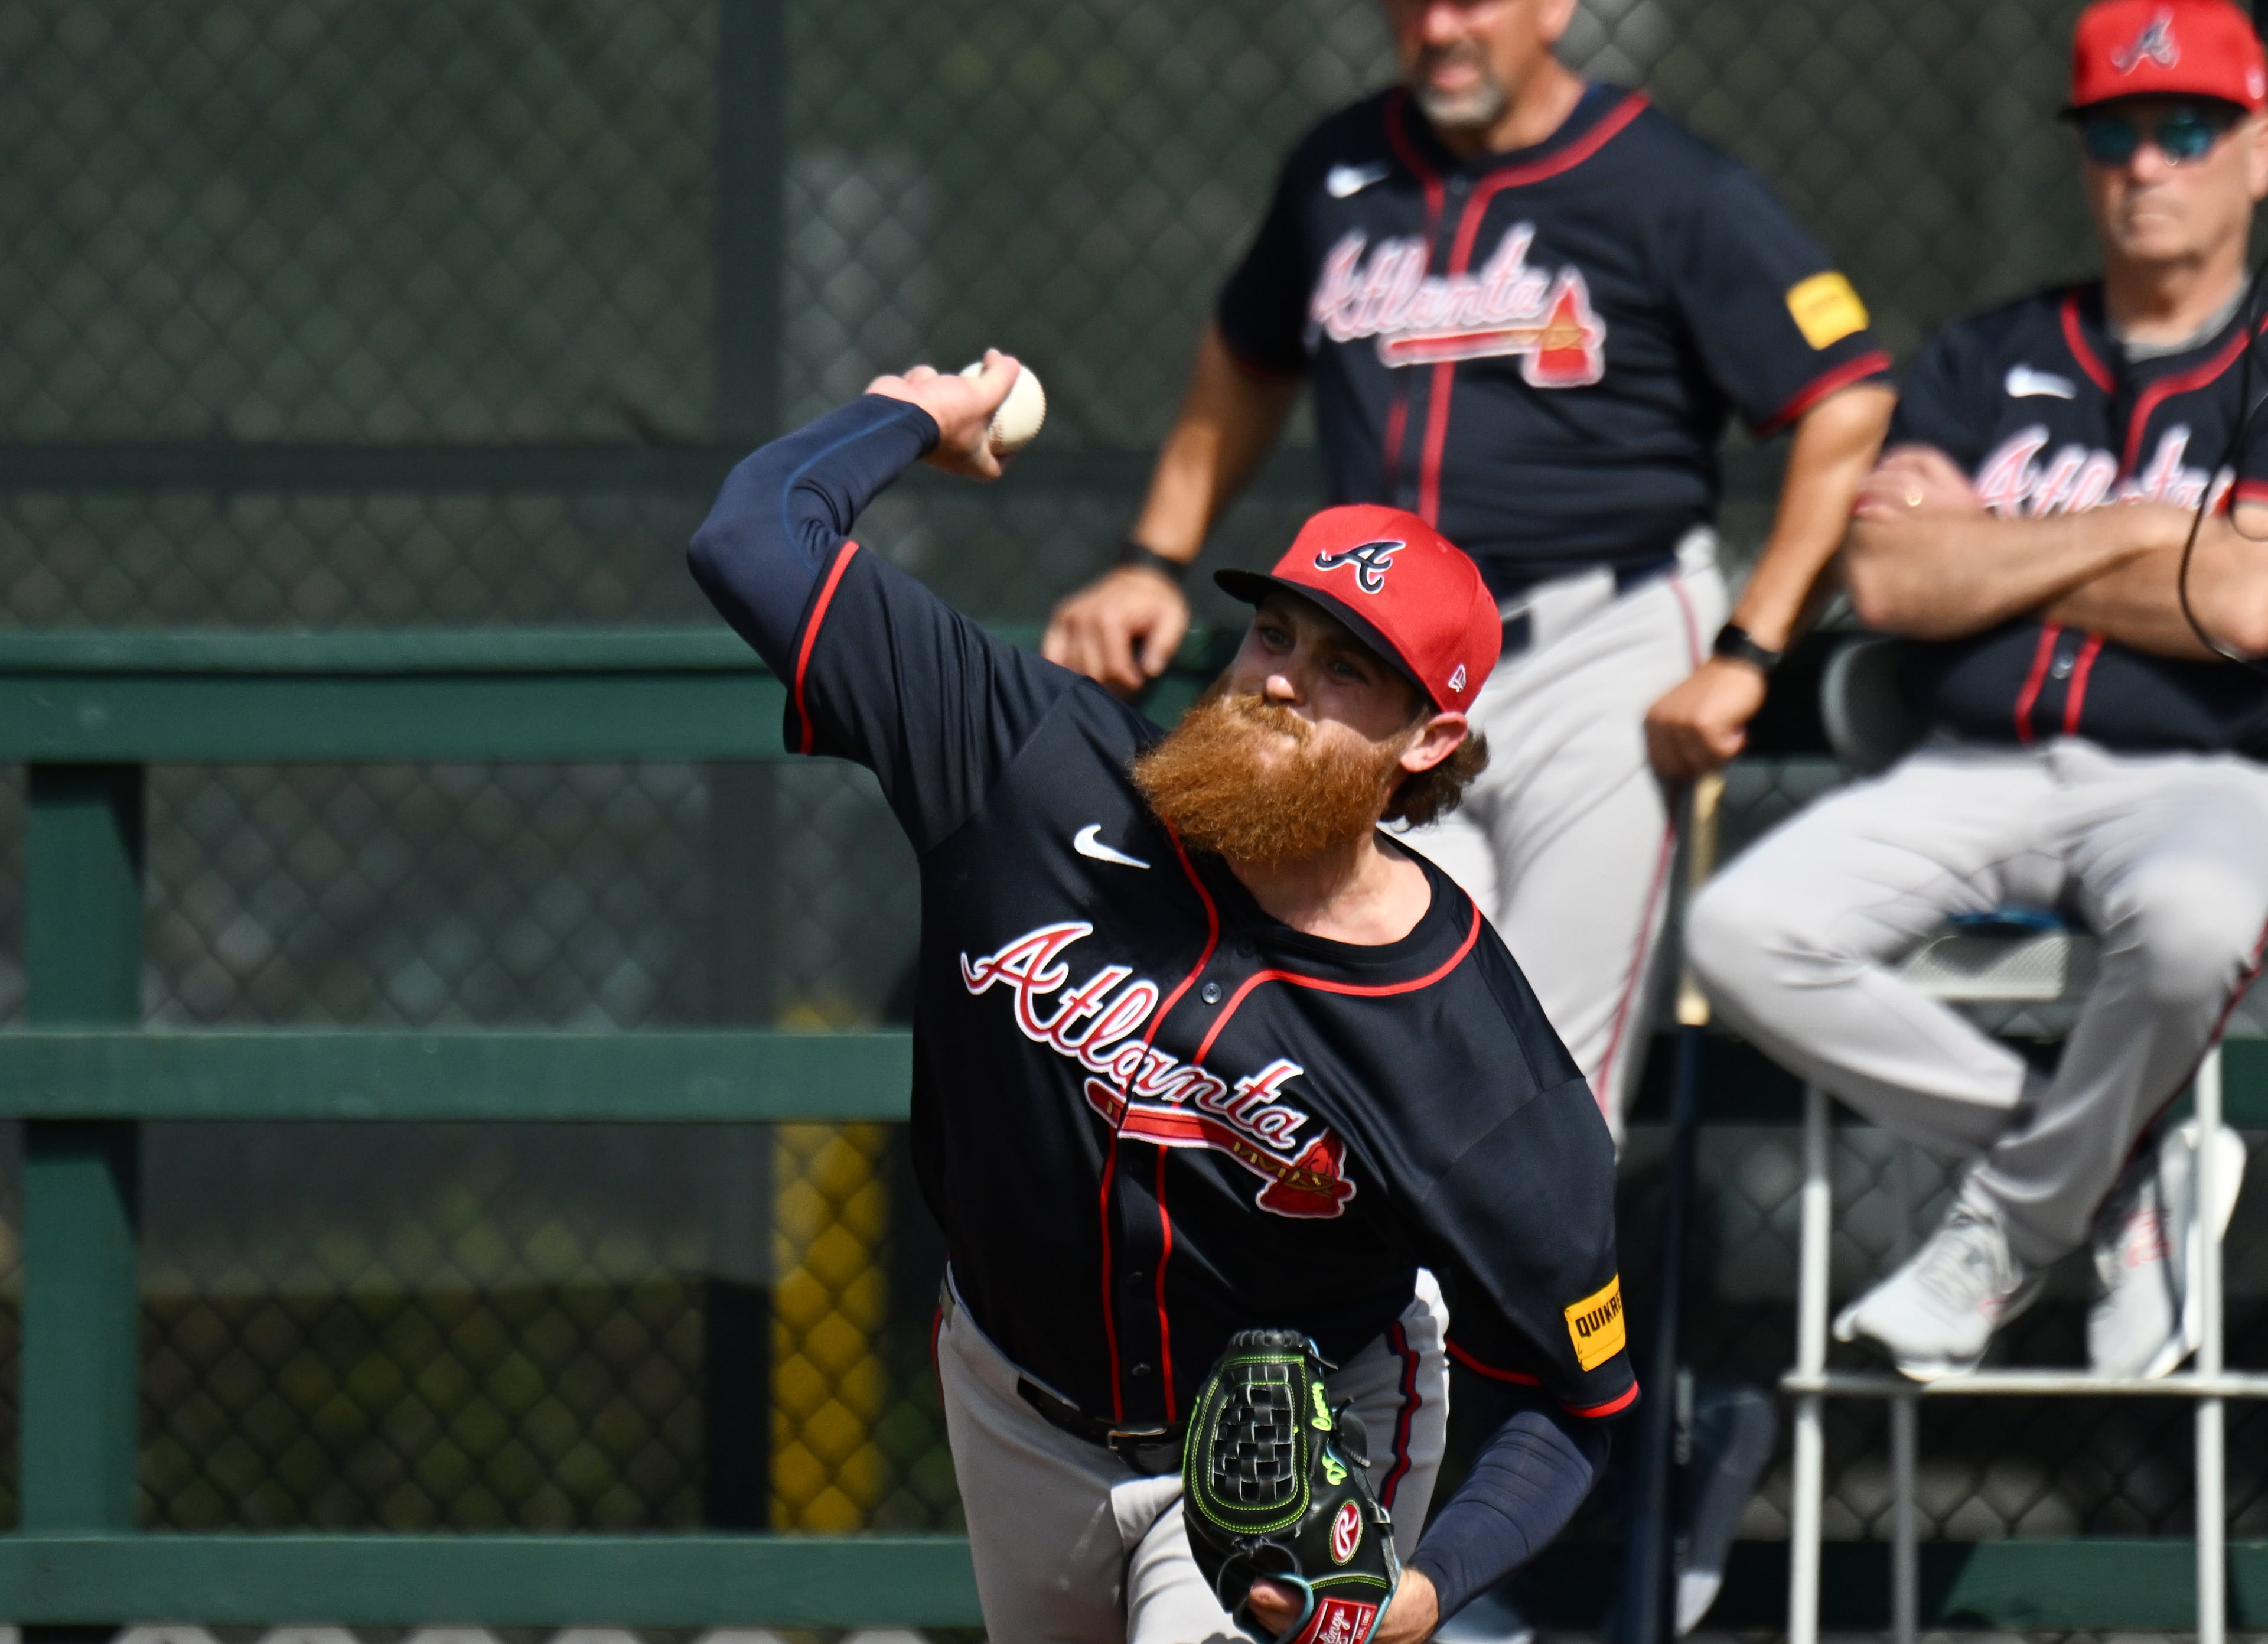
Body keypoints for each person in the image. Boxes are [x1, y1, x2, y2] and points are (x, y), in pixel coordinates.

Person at [688, 356, 1638, 1643]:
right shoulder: (1031, 766)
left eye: (1350, 667)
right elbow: (752, 537)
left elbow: (1577, 1404)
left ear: (1425, 742)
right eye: (1276, 630)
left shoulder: (1464, 1043)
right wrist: (917, 417)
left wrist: (1426, 1592)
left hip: (1280, 1460)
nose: (1284, 679)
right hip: (1013, 1405)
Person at [1041, 0, 1895, 1142]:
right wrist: (1152, 559)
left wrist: (1749, 649)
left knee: (1544, 1063)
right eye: (1413, 3)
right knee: (1358, 1017)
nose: (1438, 26)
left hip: (1607, 645)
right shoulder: (1340, 164)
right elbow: (1245, 360)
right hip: (1384, 668)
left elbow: (1848, 398)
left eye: (1473, 0)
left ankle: (1506, 1321)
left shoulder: (1666, 179)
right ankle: (1383, 1324)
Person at [1688, 0, 2268, 1383]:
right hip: (1970, 768)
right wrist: (2149, 533)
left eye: (2185, 129)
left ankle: (2003, 1235)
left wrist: (1991, 554)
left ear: (2257, 147)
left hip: (2206, 775)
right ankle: (2112, 1183)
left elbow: (2247, 609)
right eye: (2115, 134)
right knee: (1741, 930)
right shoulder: (1981, 351)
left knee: (2199, 928)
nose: (2145, 165)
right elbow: (1887, 585)